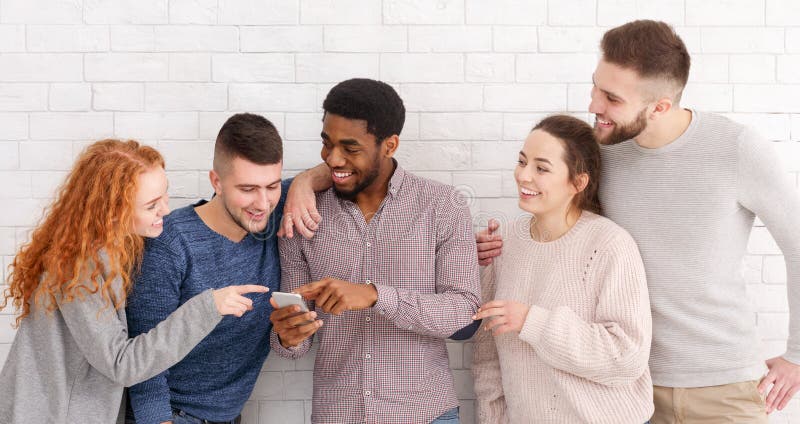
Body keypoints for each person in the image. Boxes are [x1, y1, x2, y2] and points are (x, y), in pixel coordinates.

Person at [477, 20, 800, 423]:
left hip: (723, 386)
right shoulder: (601, 153)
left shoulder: (734, 148)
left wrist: (797, 356)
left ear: (660, 106)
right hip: (624, 392)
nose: (595, 105)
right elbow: (566, 240)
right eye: (596, 86)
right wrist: (497, 246)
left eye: (612, 98)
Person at [0, 139, 267, 424]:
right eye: (151, 205)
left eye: (165, 196)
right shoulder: (77, 271)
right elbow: (121, 363)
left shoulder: (118, 248)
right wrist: (207, 307)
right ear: (113, 210)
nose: (165, 210)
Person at [268, 78, 481, 424]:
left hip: (426, 414)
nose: (333, 158)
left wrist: (373, 296)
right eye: (327, 143)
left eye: (350, 148)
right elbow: (294, 344)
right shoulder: (303, 215)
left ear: (389, 145)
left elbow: (461, 312)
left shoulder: (443, 206)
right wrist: (287, 335)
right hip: (338, 415)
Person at [125, 113, 328, 424]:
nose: (262, 202)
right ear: (216, 182)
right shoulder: (170, 244)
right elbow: (144, 365)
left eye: (272, 186)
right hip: (172, 416)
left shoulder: (272, 210)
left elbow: (344, 167)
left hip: (229, 416)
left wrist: (303, 182)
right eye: (247, 189)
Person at [470, 114, 652, 423]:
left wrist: (531, 321)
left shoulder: (609, 245)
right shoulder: (505, 244)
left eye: (541, 168)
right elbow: (487, 356)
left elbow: (627, 357)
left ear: (578, 182)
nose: (524, 176)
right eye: (522, 161)